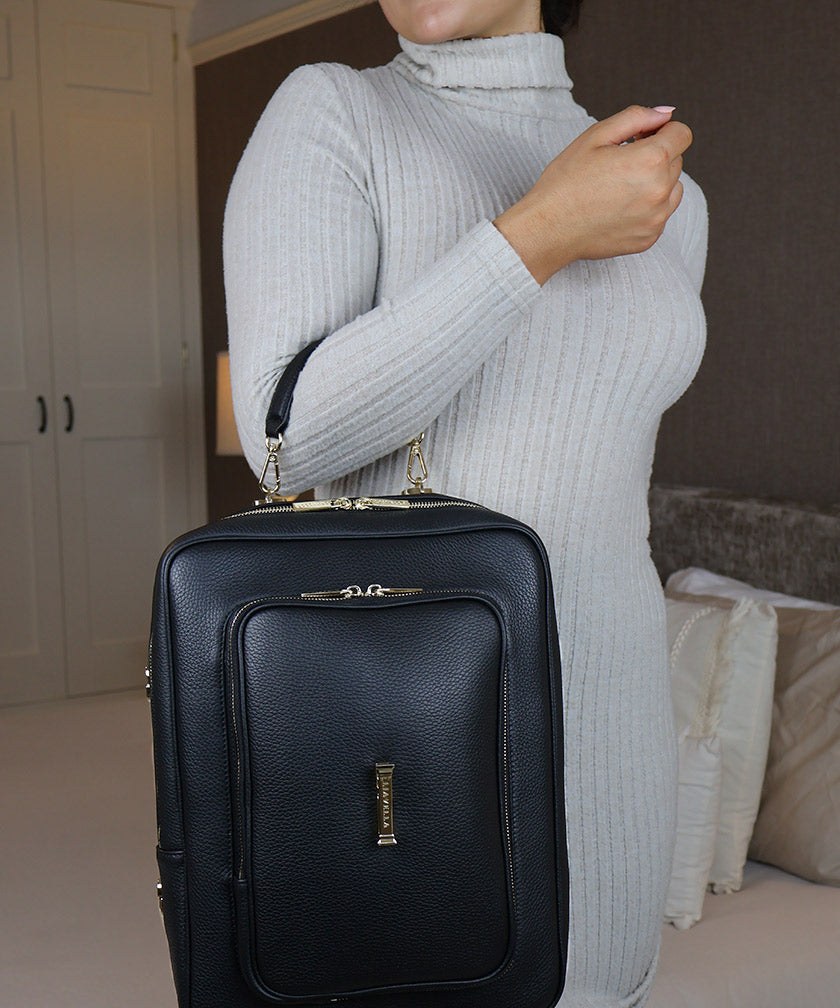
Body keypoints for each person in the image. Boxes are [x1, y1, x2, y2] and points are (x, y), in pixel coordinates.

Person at [223, 1, 707, 1004]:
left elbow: (609, 472)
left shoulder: (667, 194)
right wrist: (535, 237)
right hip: (407, 722)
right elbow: (282, 442)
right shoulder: (335, 114)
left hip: (615, 710)